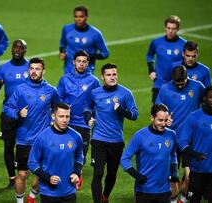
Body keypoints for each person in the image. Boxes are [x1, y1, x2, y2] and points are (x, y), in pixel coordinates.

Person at [4, 57, 60, 203]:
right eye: (32, 68)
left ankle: (32, 196)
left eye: (37, 69)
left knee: (42, 174)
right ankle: (20, 201)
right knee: (22, 174)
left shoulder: (51, 90)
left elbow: (58, 109)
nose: (34, 72)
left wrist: (55, 121)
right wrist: (17, 113)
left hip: (43, 140)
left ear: (43, 71)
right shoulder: (20, 89)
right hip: (24, 139)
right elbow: (7, 109)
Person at [84, 63, 138, 203]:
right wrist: (88, 118)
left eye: (114, 74)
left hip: (116, 141)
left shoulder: (125, 93)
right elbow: (87, 108)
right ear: (102, 77)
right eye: (108, 75)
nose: (112, 77)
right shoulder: (95, 93)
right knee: (98, 173)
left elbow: (134, 115)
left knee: (112, 174)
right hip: (98, 139)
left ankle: (105, 196)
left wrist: (121, 110)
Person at [155, 65, 205, 202]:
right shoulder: (165, 89)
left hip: (191, 140)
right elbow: (156, 110)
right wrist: (166, 121)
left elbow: (207, 106)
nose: (180, 85)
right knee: (171, 176)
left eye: (182, 82)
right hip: (171, 138)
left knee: (189, 176)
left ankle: (182, 199)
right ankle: (173, 199)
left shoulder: (198, 87)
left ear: (187, 76)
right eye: (177, 83)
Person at [57, 50, 100, 189]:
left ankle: (78, 172)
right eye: (79, 61)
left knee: (81, 152)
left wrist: (93, 117)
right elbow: (59, 99)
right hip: (67, 122)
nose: (81, 64)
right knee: (65, 152)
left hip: (84, 123)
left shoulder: (93, 81)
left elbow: (98, 101)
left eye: (84, 62)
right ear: (73, 62)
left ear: (88, 63)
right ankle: (67, 177)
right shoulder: (65, 79)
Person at [120, 104, 178, 203]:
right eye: (160, 120)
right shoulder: (140, 136)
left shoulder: (171, 135)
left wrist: (174, 173)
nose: (163, 124)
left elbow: (173, 155)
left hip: (164, 191)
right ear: (152, 118)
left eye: (165, 120)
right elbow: (124, 159)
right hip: (144, 191)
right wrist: (137, 175)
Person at [179, 86, 212, 203]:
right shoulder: (193, 117)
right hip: (196, 173)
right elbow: (182, 142)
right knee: (193, 200)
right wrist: (195, 154)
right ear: (204, 98)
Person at [28, 102, 84, 203]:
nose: (65, 120)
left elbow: (79, 157)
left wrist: (76, 173)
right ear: (53, 116)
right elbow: (32, 163)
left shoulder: (76, 136)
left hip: (69, 191)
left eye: (67, 116)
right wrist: (48, 178)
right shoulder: (42, 138)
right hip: (49, 192)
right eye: (61, 116)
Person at [0, 39, 29, 189]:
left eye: (21, 48)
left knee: (24, 146)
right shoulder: (3, 68)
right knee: (8, 146)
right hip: (8, 113)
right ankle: (12, 178)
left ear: (25, 50)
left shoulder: (30, 67)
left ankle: (22, 174)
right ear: (12, 49)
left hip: (27, 113)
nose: (17, 50)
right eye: (15, 47)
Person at [146, 15, 187, 103]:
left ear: (178, 29)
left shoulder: (184, 44)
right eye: (168, 28)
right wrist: (151, 70)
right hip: (159, 84)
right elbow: (149, 55)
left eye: (173, 29)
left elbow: (188, 62)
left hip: (176, 84)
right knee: (157, 112)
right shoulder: (156, 42)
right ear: (165, 28)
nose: (170, 31)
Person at [59, 5, 109, 74]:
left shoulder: (95, 34)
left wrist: (91, 56)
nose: (78, 19)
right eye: (76, 16)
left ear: (87, 17)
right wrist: (62, 51)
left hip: (87, 73)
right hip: (69, 72)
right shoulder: (67, 29)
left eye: (81, 16)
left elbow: (105, 53)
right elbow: (62, 44)